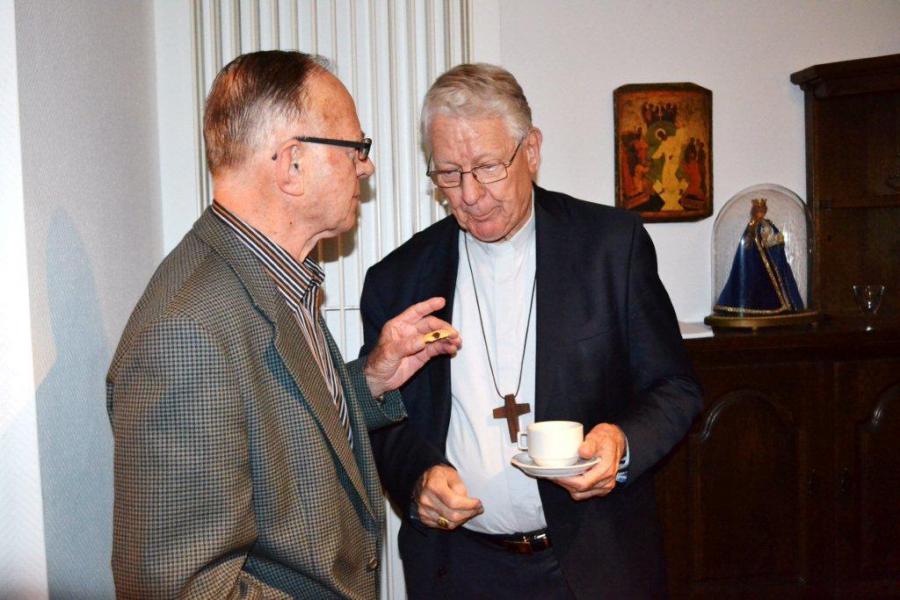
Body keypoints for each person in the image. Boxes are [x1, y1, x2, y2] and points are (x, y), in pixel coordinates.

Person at [106, 50, 460, 599]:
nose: (365, 167)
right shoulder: (184, 334)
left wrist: (369, 379)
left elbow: (280, 428)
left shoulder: (276, 278)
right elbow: (181, 588)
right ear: (292, 163)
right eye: (355, 148)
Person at [359, 63, 703, 599]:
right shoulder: (397, 280)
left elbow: (675, 388)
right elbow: (384, 418)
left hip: (592, 565)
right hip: (459, 568)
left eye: (487, 167)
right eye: (448, 173)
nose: (469, 194)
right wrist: (418, 478)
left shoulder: (612, 248)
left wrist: (621, 442)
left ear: (532, 150)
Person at [714, 197, 805, 315]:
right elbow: (750, 245)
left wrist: (777, 240)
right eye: (758, 210)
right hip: (756, 265)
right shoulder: (752, 226)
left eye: (762, 210)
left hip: (768, 265)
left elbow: (772, 240)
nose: (760, 212)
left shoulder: (767, 224)